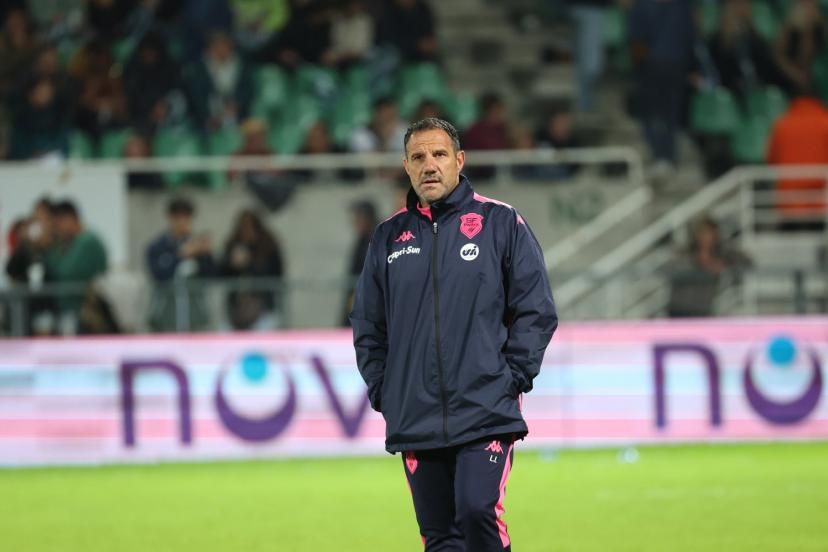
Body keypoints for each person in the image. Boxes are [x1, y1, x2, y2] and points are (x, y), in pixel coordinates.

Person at [350, 118, 558, 550]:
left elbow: (535, 308)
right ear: (406, 167)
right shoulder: (388, 238)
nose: (430, 165)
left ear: (459, 161)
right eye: (419, 157)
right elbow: (369, 326)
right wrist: (385, 391)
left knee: (477, 510)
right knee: (440, 536)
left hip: (485, 405)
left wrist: (512, 376)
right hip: (414, 412)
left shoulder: (500, 222)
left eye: (439, 154)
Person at [146, 197, 215, 331]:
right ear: (170, 218)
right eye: (178, 217)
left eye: (186, 217)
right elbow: (159, 275)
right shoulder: (157, 247)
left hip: (195, 317)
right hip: (165, 318)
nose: (182, 222)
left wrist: (205, 255)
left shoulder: (197, 245)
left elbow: (211, 276)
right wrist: (181, 255)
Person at [45, 200, 112, 334]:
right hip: (71, 311)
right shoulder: (71, 243)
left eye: (58, 224)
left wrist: (53, 246)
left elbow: (65, 272)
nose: (57, 230)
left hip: (86, 311)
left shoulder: (87, 241)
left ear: (70, 218)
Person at [766, 90, 828, 230]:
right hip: (819, 202)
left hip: (788, 203)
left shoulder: (781, 124)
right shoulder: (825, 123)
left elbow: (770, 158)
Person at [667, 216, 752, 317]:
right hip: (680, 307)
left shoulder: (723, 253)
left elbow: (747, 263)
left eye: (709, 233)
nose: (706, 237)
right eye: (702, 232)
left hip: (704, 309)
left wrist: (723, 266)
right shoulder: (686, 253)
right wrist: (704, 266)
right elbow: (674, 271)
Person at [219, 209, 285, 330]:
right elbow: (220, 275)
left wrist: (249, 264)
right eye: (243, 228)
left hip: (264, 309)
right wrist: (232, 265)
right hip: (236, 311)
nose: (247, 232)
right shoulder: (233, 246)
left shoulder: (269, 247)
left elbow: (277, 275)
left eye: (250, 228)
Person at [340, 199, 377, 326]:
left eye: (359, 217)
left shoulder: (376, 240)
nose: (355, 221)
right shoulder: (361, 240)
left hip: (367, 303)